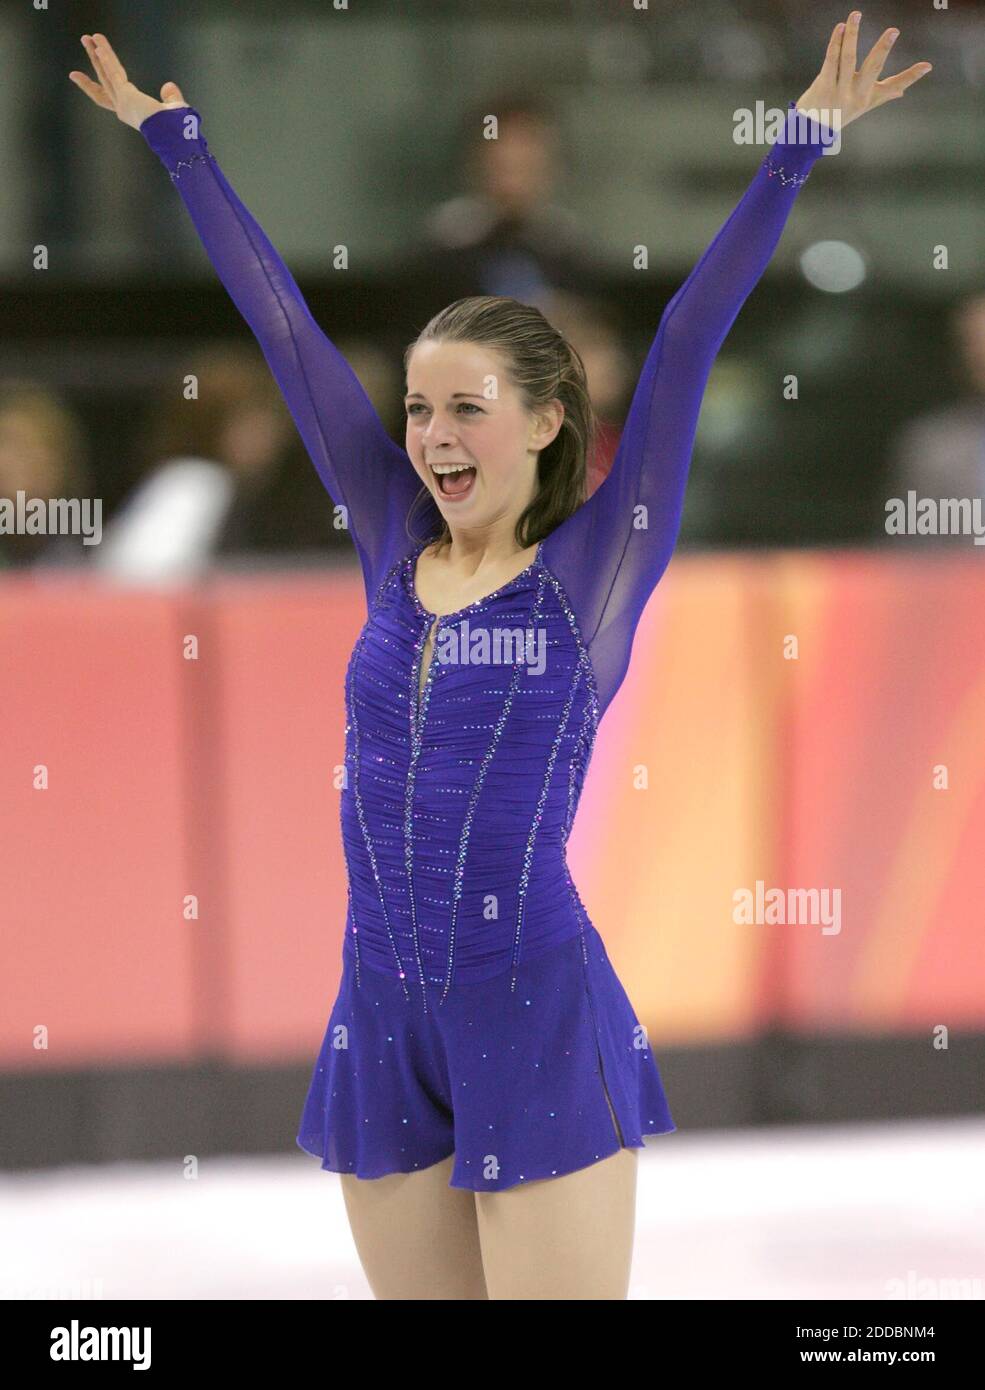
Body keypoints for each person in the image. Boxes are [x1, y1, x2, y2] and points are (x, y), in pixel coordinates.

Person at [70, 17, 931, 1300]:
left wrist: (796, 145)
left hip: (528, 1002)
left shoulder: (593, 575)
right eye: (419, 406)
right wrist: (180, 149)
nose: (428, 434)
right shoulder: (386, 540)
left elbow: (690, 335)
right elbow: (290, 337)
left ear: (545, 423)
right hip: (379, 1011)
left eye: (465, 407)